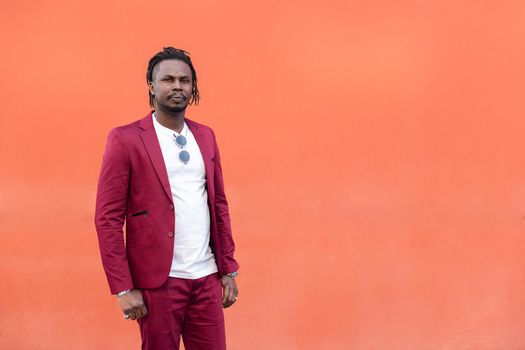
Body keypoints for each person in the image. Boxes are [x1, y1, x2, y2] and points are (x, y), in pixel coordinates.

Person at [94, 47, 239, 350]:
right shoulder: (126, 139)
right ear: (152, 86)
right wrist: (122, 289)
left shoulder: (206, 136)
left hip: (206, 277)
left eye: (185, 81)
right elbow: (107, 218)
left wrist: (228, 270)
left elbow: (219, 206)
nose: (177, 86)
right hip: (159, 283)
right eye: (168, 79)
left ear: (193, 87)